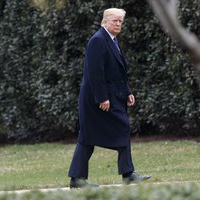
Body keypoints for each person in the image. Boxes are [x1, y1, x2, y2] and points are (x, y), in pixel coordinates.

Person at [68, 8, 151, 188]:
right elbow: (94, 73)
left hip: (111, 96)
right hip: (96, 100)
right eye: (115, 21)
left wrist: (127, 92)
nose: (118, 24)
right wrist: (102, 98)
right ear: (104, 22)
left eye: (120, 21)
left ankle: (125, 173)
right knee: (90, 136)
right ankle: (79, 180)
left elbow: (118, 73)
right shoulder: (97, 41)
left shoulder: (112, 40)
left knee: (102, 133)